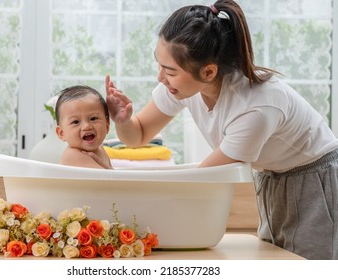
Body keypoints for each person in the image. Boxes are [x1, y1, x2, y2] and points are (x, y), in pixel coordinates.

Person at [101, 0, 338, 259]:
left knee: (312, 267)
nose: (161, 77)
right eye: (160, 65)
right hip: (273, 178)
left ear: (209, 71)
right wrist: (123, 120)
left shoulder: (254, 107)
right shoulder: (185, 85)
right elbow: (139, 135)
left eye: (169, 71)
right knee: (279, 262)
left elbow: (204, 179)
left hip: (316, 179)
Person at [55, 85, 113, 169]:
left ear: (106, 126)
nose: (86, 126)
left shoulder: (100, 149)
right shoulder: (73, 155)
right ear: (62, 133)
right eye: (75, 122)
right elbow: (109, 179)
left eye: (93, 118)